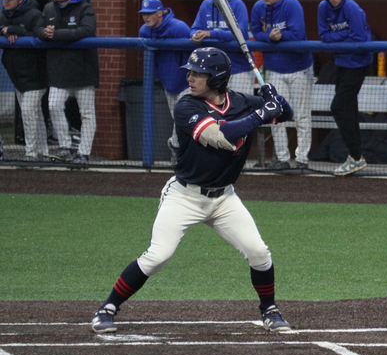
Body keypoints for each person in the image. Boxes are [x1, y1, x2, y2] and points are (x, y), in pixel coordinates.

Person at [90, 47, 294, 334]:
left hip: (224, 198)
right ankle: (107, 308)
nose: (191, 78)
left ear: (217, 78)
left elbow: (286, 113)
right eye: (191, 73)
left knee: (259, 252)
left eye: (199, 74)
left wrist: (276, 99)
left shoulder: (243, 102)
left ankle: (269, 310)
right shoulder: (187, 106)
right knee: (158, 256)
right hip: (184, 196)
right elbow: (220, 134)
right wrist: (262, 112)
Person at [35, 0, 99, 165]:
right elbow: (37, 28)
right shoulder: (48, 8)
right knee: (53, 105)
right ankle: (64, 145)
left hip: (83, 68)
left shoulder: (84, 7)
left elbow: (88, 30)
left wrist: (57, 34)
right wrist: (44, 33)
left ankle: (83, 153)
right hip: (58, 68)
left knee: (87, 113)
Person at [251, 0, 314, 170]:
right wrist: (269, 36)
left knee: (301, 115)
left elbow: (297, 34)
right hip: (274, 69)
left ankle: (302, 159)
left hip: (299, 67)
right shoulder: (258, 7)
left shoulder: (292, 4)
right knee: (275, 114)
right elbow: (254, 32)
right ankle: (282, 158)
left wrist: (280, 36)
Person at [317, 0, 373, 176]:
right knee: (347, 108)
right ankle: (355, 157)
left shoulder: (351, 7)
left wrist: (338, 39)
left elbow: (358, 37)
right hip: (340, 62)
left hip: (358, 63)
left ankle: (356, 156)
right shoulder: (323, 8)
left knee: (339, 107)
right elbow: (323, 36)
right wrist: (344, 34)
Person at [137, 0, 192, 160]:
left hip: (186, 81)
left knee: (185, 116)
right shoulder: (144, 31)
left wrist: (190, 78)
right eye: (144, 14)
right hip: (168, 81)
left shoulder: (178, 27)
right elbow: (150, 60)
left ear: (160, 13)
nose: (146, 17)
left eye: (150, 13)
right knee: (179, 118)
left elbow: (190, 56)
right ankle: (177, 148)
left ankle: (178, 147)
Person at [1, 0, 48, 160]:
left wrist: (16, 30)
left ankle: (31, 153)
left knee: (28, 112)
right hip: (17, 76)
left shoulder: (34, 14)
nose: (6, 1)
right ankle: (43, 152)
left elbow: (39, 34)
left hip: (36, 74)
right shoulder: (3, 15)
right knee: (35, 113)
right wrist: (3, 30)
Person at [190, 0, 253, 95]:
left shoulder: (237, 4)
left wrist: (211, 34)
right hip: (213, 70)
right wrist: (194, 34)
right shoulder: (206, 4)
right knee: (216, 109)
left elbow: (241, 33)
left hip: (238, 69)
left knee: (241, 109)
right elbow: (194, 28)